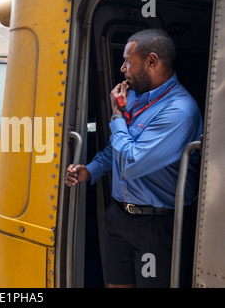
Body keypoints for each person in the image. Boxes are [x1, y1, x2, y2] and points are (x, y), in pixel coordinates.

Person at [64, 29, 203, 288]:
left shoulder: (179, 111)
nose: (122, 67)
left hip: (156, 223)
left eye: (129, 61)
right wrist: (91, 169)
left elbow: (131, 163)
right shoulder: (136, 98)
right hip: (119, 215)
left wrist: (117, 115)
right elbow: (118, 148)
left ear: (152, 61)